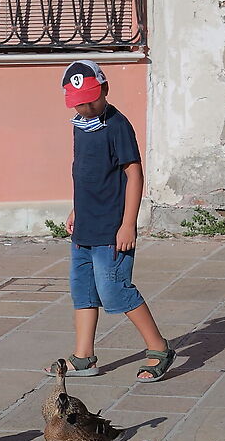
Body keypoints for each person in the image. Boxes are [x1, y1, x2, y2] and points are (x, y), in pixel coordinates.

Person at [60, 62, 173, 383]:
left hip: (111, 228)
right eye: (79, 102)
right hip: (84, 228)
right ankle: (83, 357)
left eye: (91, 99)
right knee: (83, 291)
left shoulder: (117, 126)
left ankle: (159, 348)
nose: (86, 107)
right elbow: (83, 172)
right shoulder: (80, 126)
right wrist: (76, 209)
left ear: (105, 90)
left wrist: (128, 224)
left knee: (114, 291)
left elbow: (133, 174)